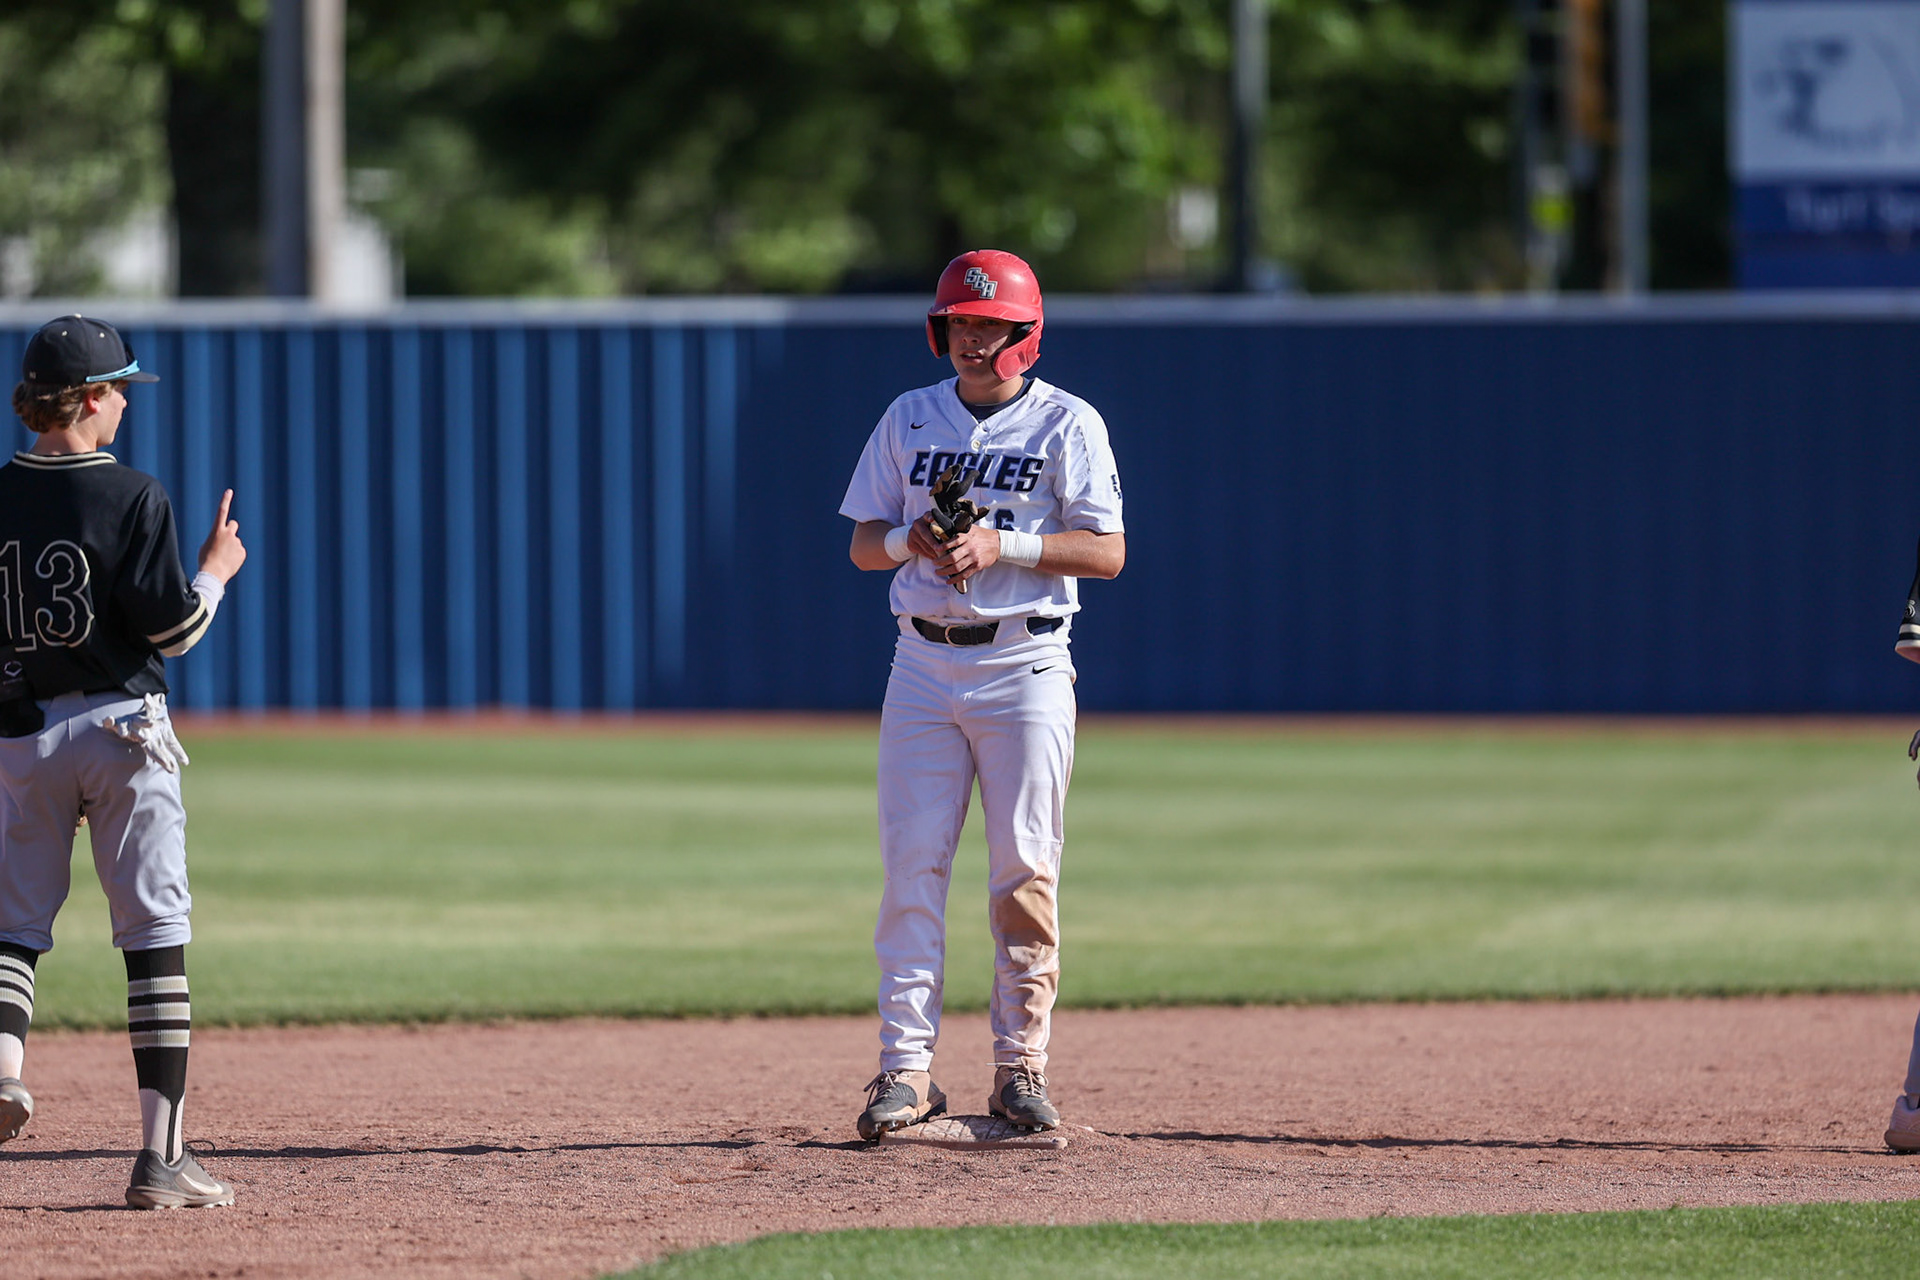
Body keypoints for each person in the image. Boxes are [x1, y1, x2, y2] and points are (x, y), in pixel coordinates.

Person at [838, 250, 1125, 1140]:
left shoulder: (1068, 424)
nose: (970, 337)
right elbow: (862, 544)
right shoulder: (909, 416)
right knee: (912, 868)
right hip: (921, 664)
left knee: (1024, 870)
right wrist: (909, 540)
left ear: (1024, 336)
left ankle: (1019, 1066)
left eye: (988, 324)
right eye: (960, 322)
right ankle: (905, 1070)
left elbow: (1107, 553)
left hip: (1025, 666)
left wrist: (1009, 547)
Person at [0, 315, 246, 1207]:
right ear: (93, 396)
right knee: (153, 936)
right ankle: (162, 1159)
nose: (122, 408)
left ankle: (4, 1066)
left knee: (14, 926)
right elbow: (173, 632)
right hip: (122, 731)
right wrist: (216, 572)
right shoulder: (133, 494)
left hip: (20, 735)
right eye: (119, 393)